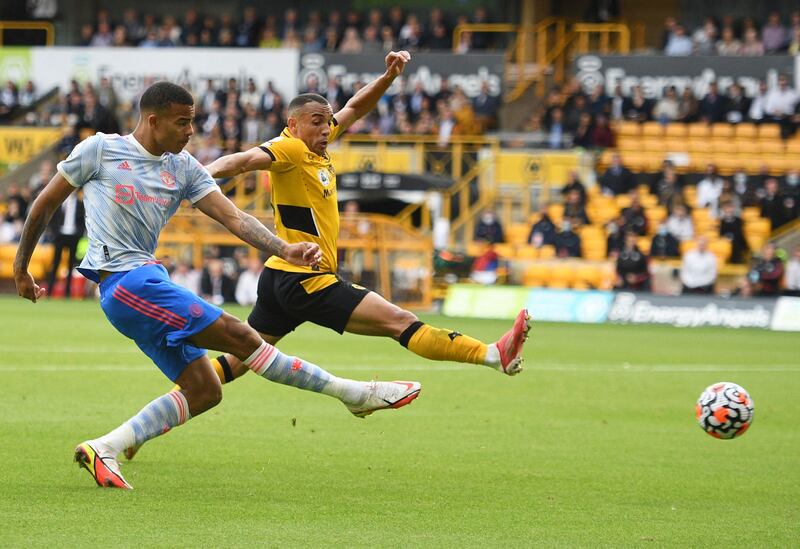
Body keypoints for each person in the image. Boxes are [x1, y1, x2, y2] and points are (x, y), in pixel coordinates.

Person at [13, 82, 422, 490]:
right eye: (182, 122)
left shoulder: (183, 167)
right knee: (242, 336)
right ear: (153, 121)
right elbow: (45, 203)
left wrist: (285, 248)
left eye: (193, 121)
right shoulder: (100, 149)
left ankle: (106, 447)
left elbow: (236, 219)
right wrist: (21, 269)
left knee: (206, 389)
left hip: (147, 282)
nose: (191, 130)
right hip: (126, 282)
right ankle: (352, 393)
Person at [124, 54, 532, 461]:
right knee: (400, 322)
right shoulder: (287, 149)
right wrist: (195, 178)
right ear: (293, 125)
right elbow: (244, 160)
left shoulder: (318, 146)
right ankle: (492, 354)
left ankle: (138, 430)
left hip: (279, 278)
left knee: (237, 363)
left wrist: (388, 76)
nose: (325, 127)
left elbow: (355, 107)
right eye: (316, 121)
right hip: (307, 279)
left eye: (326, 121)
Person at [45, 189, 85, 298]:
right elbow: (52, 217)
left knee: (70, 264)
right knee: (56, 262)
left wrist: (79, 233)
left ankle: (67, 292)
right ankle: (50, 290)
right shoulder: (59, 202)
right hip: (60, 235)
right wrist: (55, 232)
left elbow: (83, 220)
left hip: (73, 236)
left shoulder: (80, 203)